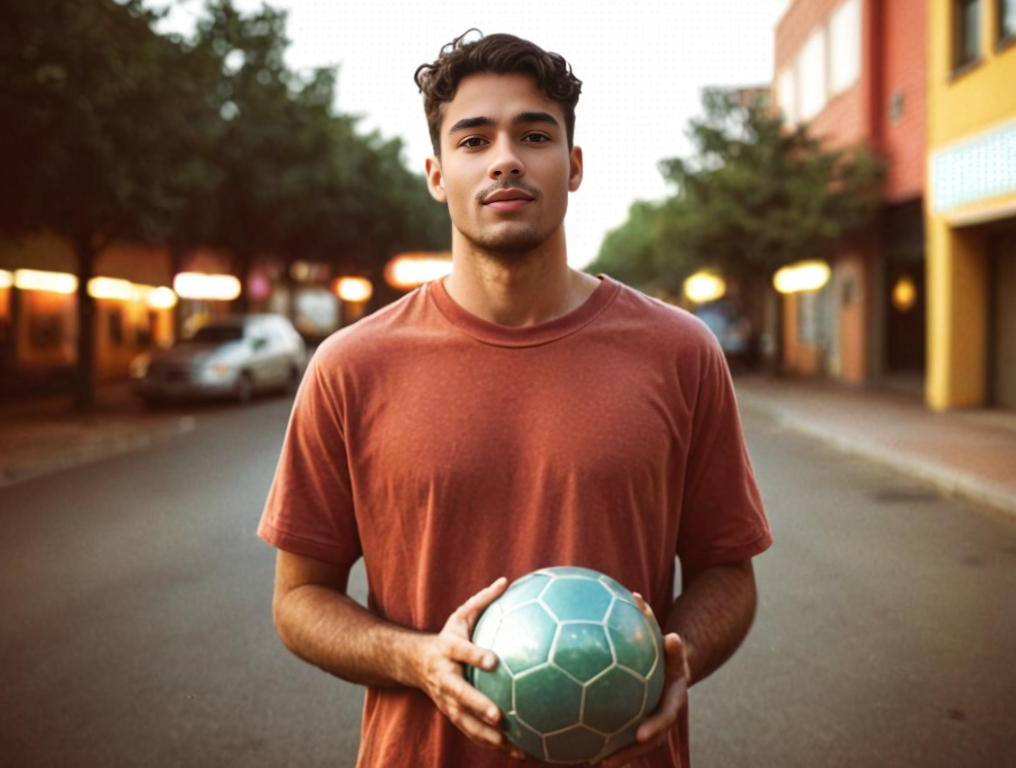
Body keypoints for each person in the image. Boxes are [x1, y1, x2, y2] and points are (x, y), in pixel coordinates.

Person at [258, 30, 772, 768]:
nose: (505, 158)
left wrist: (659, 660)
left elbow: (727, 571)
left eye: (534, 134)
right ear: (437, 174)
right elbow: (298, 599)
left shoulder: (680, 352)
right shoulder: (350, 366)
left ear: (574, 165)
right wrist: (418, 660)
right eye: (474, 139)